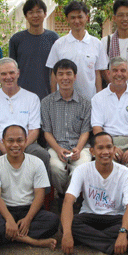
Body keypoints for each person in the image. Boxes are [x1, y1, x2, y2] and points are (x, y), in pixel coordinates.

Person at [61, 132, 128, 255]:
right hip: (89, 216)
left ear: (114, 149)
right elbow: (68, 200)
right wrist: (67, 234)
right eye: (100, 148)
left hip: (116, 218)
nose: (105, 152)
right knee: (66, 226)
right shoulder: (82, 170)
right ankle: (118, 245)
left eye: (109, 147)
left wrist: (122, 232)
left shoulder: (125, 173)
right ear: (92, 151)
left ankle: (89, 239)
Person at [0, 125, 60, 249]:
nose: (15, 145)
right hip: (5, 210)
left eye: (19, 140)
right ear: (3, 141)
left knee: (52, 220)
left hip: (29, 210)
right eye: (10, 141)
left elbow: (40, 195)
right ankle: (32, 241)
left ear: (26, 141)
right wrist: (9, 219)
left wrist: (28, 219)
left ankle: (7, 237)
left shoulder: (37, 163)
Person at [0, 58, 50, 172]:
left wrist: (20, 147)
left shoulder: (32, 98)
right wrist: (5, 149)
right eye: (4, 74)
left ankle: (42, 190)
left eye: (11, 72)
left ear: (18, 73)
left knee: (42, 155)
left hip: (25, 143)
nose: (8, 77)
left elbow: (34, 130)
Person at [91, 57, 128, 185]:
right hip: (108, 141)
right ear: (109, 74)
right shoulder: (98, 98)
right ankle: (121, 194)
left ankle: (116, 191)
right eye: (115, 70)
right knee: (105, 165)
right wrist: (110, 147)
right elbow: (97, 128)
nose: (119, 74)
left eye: (122, 70)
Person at [41, 59, 92, 197]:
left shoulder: (85, 103)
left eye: (69, 74)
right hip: (56, 146)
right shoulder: (46, 103)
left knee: (82, 167)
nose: (65, 78)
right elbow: (47, 132)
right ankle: (64, 195)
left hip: (80, 146)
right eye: (60, 74)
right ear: (55, 77)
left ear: (75, 76)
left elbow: (85, 131)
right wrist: (58, 149)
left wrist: (78, 149)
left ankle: (72, 198)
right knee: (55, 168)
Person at [46, 1, 109, 100]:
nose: (76, 21)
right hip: (64, 101)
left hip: (89, 101)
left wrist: (99, 98)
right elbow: (54, 74)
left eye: (80, 17)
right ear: (67, 19)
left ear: (87, 18)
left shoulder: (97, 44)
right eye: (73, 17)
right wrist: (54, 98)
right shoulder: (59, 44)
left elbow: (98, 74)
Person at [9, 0, 60, 100]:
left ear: (45, 14)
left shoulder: (53, 38)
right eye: (31, 12)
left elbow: (58, 68)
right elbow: (12, 70)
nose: (35, 15)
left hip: (48, 95)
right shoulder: (16, 39)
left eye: (39, 12)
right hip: (22, 95)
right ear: (26, 16)